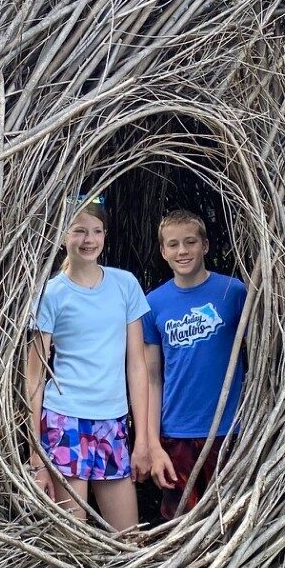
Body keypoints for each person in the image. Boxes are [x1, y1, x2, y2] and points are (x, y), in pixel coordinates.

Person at [26, 198, 152, 529]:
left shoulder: (125, 285)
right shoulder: (51, 293)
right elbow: (35, 377)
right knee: (72, 536)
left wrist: (141, 441)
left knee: (128, 537)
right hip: (65, 421)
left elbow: (137, 366)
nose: (88, 240)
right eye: (79, 231)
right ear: (62, 235)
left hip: (111, 421)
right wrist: (36, 455)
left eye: (96, 231)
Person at [142, 209, 246, 520]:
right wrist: (153, 444)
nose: (182, 251)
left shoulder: (234, 292)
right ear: (163, 251)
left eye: (190, 242)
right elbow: (151, 378)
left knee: (226, 519)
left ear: (206, 246)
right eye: (173, 245)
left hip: (228, 430)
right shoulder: (153, 303)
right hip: (176, 434)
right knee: (180, 522)